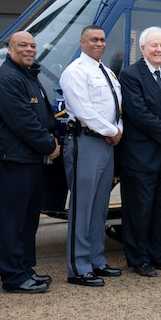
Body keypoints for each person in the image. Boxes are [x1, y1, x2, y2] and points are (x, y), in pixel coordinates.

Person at [0, 31, 61, 293]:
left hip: (28, 161)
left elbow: (43, 117)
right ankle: (13, 277)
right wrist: (50, 145)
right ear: (10, 49)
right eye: (22, 45)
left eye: (32, 45)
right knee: (12, 221)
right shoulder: (8, 80)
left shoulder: (29, 76)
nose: (29, 49)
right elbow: (23, 122)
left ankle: (25, 268)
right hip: (11, 162)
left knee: (28, 219)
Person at [59, 25, 123, 287]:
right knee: (82, 208)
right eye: (93, 39)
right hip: (85, 142)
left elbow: (117, 107)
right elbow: (82, 109)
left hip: (106, 144)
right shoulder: (75, 71)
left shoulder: (106, 71)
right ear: (82, 42)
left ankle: (96, 259)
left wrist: (117, 129)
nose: (99, 43)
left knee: (99, 208)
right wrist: (112, 130)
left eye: (102, 39)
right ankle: (78, 267)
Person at [118, 26, 161, 277]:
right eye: (153, 45)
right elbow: (138, 112)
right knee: (139, 210)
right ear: (143, 48)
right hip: (141, 156)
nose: (159, 49)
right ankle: (138, 259)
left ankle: (158, 255)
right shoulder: (131, 75)